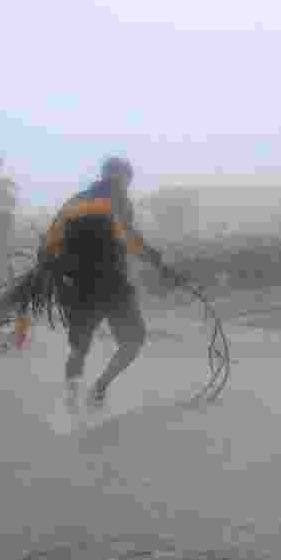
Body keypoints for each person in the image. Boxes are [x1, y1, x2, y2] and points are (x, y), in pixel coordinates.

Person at [38, 156, 184, 411]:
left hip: (78, 288)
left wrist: (51, 271)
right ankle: (99, 388)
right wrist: (159, 264)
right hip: (112, 286)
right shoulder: (117, 201)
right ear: (124, 178)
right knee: (133, 340)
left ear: (103, 174)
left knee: (79, 349)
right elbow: (128, 238)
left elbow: (49, 243)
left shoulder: (74, 202)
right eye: (127, 180)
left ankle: (71, 402)